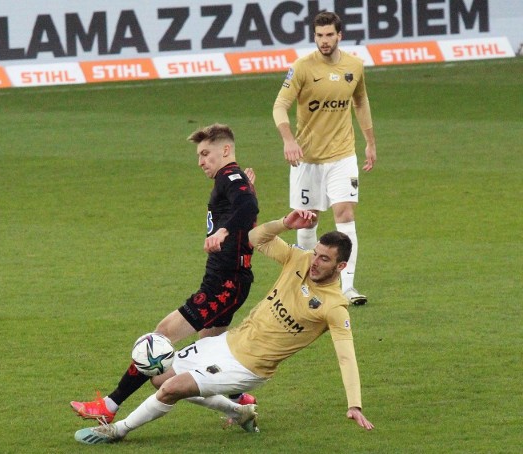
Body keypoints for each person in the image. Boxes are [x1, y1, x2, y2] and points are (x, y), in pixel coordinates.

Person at [74, 208, 374, 444]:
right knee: (158, 378)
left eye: (324, 259)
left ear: (341, 266)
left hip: (249, 367)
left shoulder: (334, 307)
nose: (315, 263)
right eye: (316, 253)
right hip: (227, 343)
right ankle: (239, 411)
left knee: (171, 388)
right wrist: (285, 222)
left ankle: (118, 431)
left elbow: (346, 356)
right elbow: (256, 238)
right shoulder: (300, 258)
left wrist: (355, 404)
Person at [70, 123, 259, 423]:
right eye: (199, 155)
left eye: (206, 153)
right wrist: (246, 192)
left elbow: (248, 206)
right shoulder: (231, 179)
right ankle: (240, 401)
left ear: (225, 150)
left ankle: (109, 405)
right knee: (210, 352)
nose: (200, 161)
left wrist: (224, 228)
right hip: (227, 281)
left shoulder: (229, 176)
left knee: (159, 339)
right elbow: (246, 207)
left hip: (223, 284)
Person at [272, 11, 377, 305]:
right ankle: (310, 282)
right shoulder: (302, 68)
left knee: (345, 214)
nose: (324, 41)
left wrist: (370, 142)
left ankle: (346, 287)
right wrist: (288, 140)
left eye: (329, 35)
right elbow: (279, 106)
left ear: (339, 35)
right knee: (307, 222)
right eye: (319, 35)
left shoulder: (354, 66)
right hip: (308, 160)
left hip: (343, 156)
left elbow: (361, 101)